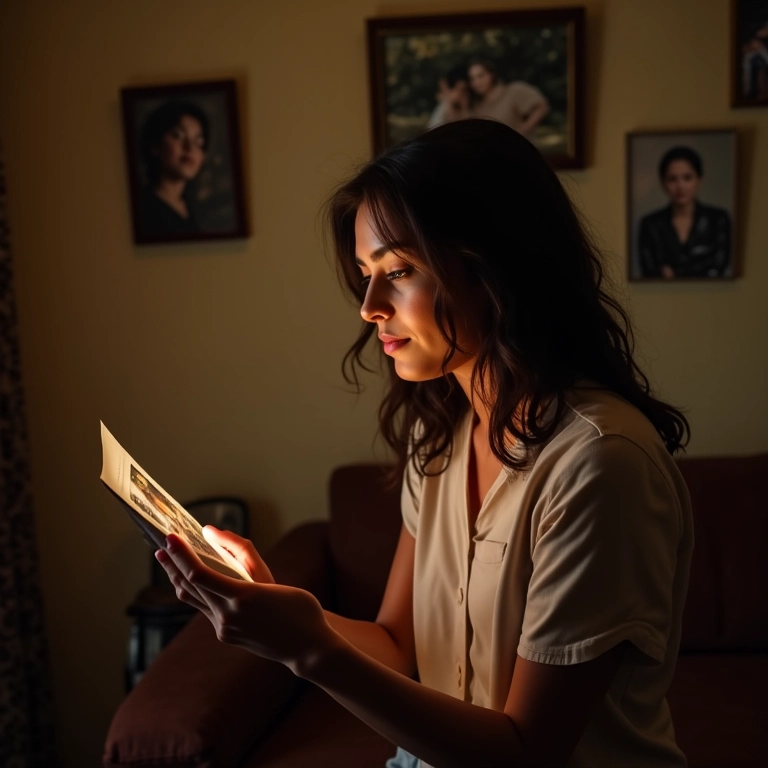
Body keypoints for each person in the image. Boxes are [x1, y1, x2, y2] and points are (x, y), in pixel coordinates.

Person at [155, 119, 693, 768]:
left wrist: (307, 651)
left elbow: (525, 752)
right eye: (365, 273)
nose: (370, 305)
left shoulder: (600, 465)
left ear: (495, 267)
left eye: (400, 269)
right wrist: (278, 606)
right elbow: (395, 644)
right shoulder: (439, 435)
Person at [638, 145, 731, 279]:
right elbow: (650, 270)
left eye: (687, 177)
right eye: (672, 179)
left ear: (699, 180)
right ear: (663, 183)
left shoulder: (718, 219)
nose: (680, 186)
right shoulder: (650, 224)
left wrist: (675, 272)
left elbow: (718, 264)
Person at [138, 100, 209, 237]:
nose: (189, 148)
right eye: (177, 136)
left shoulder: (189, 206)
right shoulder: (144, 207)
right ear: (155, 145)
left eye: (198, 142)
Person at [466, 57, 549, 138]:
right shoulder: (477, 105)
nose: (476, 82)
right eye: (472, 79)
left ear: (492, 74)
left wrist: (522, 131)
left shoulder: (513, 91)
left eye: (481, 76)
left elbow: (541, 106)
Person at [426, 63, 470, 128]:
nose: (462, 94)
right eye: (461, 90)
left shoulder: (470, 106)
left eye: (465, 91)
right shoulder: (444, 109)